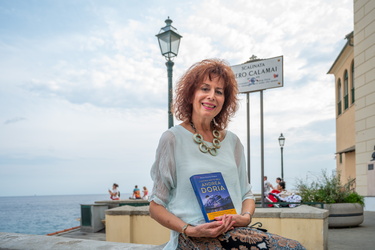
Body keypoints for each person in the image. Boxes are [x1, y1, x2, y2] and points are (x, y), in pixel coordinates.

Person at [149, 59, 305, 249]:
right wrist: (190, 229)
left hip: (234, 234)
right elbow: (156, 206)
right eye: (205, 89)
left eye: (219, 91)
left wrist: (245, 218)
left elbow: (246, 194)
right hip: (193, 239)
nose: (212, 96)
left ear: (225, 100)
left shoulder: (233, 142)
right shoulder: (172, 139)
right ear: (191, 95)